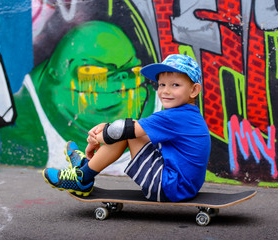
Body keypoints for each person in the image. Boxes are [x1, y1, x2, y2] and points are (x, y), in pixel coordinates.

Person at [43, 54, 211, 202]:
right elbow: (138, 127)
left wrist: (98, 138)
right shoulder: (187, 114)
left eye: (175, 85)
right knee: (130, 130)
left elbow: (127, 129)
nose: (165, 91)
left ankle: (82, 178)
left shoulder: (176, 116)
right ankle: (85, 166)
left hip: (169, 188)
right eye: (161, 85)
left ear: (194, 90)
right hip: (182, 186)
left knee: (125, 133)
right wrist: (106, 127)